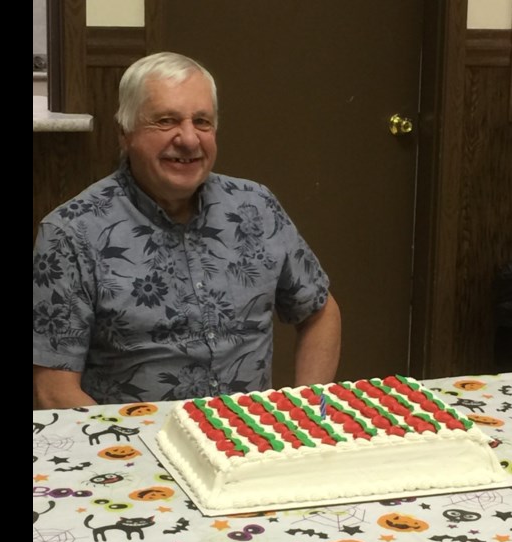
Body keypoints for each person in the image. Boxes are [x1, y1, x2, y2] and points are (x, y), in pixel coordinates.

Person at [33, 52, 341, 408]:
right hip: (141, 450)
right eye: (166, 121)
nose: (189, 140)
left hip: (249, 439)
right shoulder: (70, 233)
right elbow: (53, 390)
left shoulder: (256, 207)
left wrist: (305, 406)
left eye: (202, 122)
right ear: (125, 133)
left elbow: (320, 311)